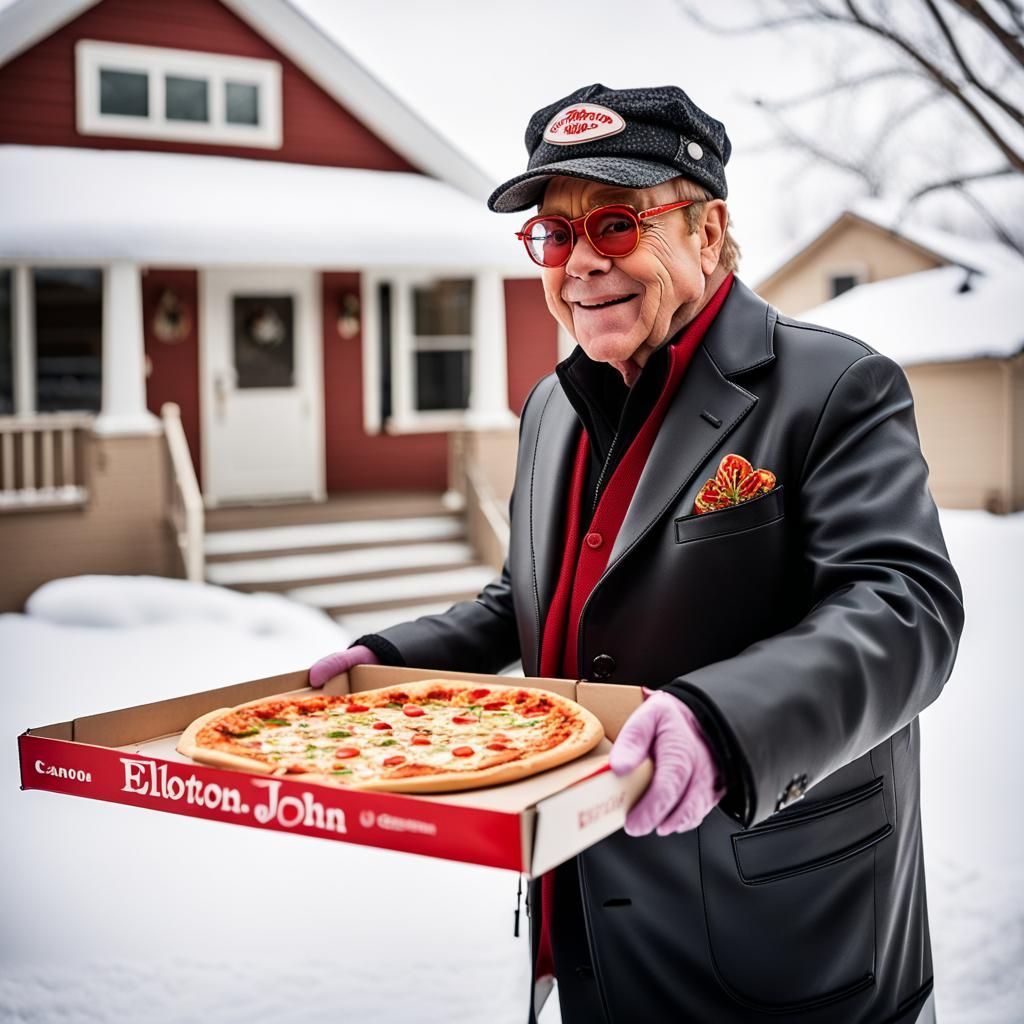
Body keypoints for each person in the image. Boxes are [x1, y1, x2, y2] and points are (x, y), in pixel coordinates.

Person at [310, 84, 963, 1024]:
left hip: (784, 936)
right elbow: (527, 598)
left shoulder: (833, 386)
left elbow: (904, 610)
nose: (579, 262)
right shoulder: (551, 407)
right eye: (554, 233)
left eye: (615, 225)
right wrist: (394, 661)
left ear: (706, 233)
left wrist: (722, 721)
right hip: (590, 922)